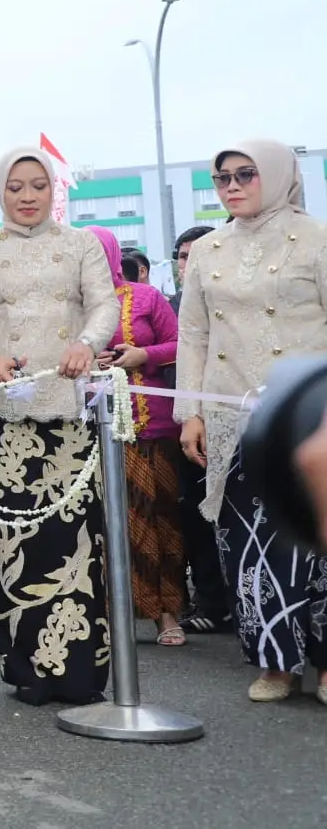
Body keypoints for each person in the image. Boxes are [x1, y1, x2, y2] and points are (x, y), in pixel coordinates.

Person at [0, 147, 117, 707]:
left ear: (54, 190)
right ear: (0, 193)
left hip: (69, 411)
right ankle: (26, 668)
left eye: (38, 185)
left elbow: (105, 306)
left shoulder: (81, 244)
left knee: (76, 540)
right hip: (5, 415)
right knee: (14, 541)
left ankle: (81, 673)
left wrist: (87, 344)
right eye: (15, 187)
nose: (27, 196)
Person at [176, 138, 327, 703]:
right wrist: (189, 412)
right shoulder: (208, 249)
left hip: (308, 412)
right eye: (223, 178)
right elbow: (193, 334)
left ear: (278, 174)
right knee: (250, 544)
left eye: (246, 174)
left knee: (315, 538)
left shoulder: (316, 238)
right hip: (230, 411)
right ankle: (274, 662)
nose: (232, 186)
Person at [87, 226, 186, 646]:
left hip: (151, 429)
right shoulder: (70, 305)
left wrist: (142, 354)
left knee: (158, 518)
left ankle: (166, 612)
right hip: (89, 431)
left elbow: (181, 344)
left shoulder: (145, 297)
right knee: (106, 525)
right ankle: (109, 615)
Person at [167, 224, 228, 634]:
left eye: (195, 254)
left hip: (232, 414)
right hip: (187, 422)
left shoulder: (227, 298)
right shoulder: (170, 304)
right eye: (183, 256)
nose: (188, 263)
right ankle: (211, 600)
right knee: (195, 513)